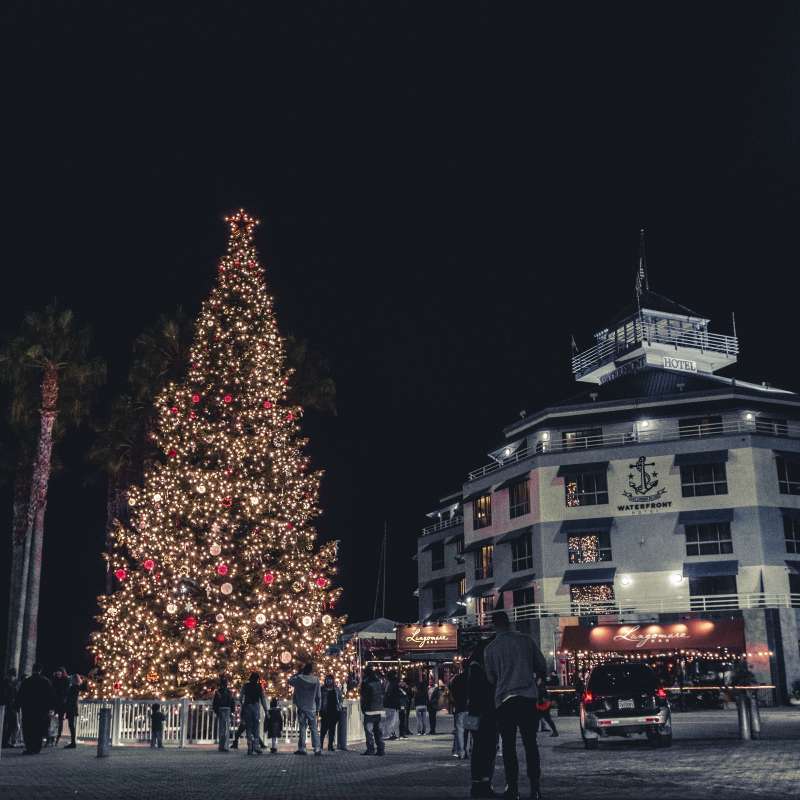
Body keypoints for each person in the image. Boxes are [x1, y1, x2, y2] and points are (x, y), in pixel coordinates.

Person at [484, 611, 547, 800]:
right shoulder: (526, 641)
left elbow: (491, 678)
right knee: (530, 744)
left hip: (504, 700)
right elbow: (541, 665)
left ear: (494, 625)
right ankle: (535, 787)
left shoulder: (491, 648)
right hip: (527, 698)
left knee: (509, 746)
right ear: (509, 623)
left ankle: (513, 787)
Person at [468, 639, 498, 798]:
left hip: (475, 713)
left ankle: (479, 783)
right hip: (484, 713)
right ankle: (483, 783)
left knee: (479, 748)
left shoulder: (473, 666)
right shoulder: (479, 668)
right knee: (486, 748)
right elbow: (483, 692)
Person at [15, 662, 55, 755]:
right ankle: (37, 748)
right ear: (40, 670)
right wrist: (51, 708)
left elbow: (21, 695)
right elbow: (51, 696)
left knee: (28, 728)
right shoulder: (46, 681)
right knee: (39, 729)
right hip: (41, 710)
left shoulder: (27, 681)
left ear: (33, 670)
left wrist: (17, 705)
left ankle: (29, 748)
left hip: (28, 709)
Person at [288, 663, 322, 756]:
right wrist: (318, 708)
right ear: (311, 671)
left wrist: (297, 673)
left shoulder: (299, 679)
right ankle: (317, 748)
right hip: (312, 707)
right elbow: (318, 696)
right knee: (314, 728)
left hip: (302, 706)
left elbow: (289, 681)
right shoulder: (316, 680)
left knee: (302, 728)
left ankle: (302, 748)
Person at [240, 672, 268, 755]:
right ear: (257, 679)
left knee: (249, 727)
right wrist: (266, 710)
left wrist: (243, 705)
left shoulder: (245, 686)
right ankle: (256, 746)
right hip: (255, 706)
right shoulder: (259, 687)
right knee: (256, 727)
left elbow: (240, 697)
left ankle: (249, 746)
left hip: (248, 706)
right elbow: (263, 699)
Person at [360, 665, 385, 756]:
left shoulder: (366, 682)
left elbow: (364, 697)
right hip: (379, 709)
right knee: (378, 730)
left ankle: (370, 749)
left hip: (370, 710)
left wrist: (363, 708)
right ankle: (381, 749)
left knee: (369, 731)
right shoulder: (378, 681)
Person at [62, 673, 87, 749]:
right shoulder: (76, 687)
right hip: (72, 707)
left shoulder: (74, 687)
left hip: (71, 707)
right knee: (71, 725)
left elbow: (70, 698)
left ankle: (73, 742)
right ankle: (73, 742)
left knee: (71, 725)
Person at [449, 666, 469, 759]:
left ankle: (461, 752)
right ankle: (469, 750)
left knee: (460, 731)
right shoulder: (472, 677)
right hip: (471, 708)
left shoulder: (457, 679)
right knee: (470, 731)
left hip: (460, 708)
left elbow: (452, 692)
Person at [212, 675, 235, 752]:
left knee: (223, 729)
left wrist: (217, 711)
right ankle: (224, 746)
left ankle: (222, 745)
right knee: (225, 729)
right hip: (224, 710)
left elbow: (215, 703)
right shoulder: (227, 692)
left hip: (223, 710)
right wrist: (232, 710)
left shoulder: (219, 692)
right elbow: (232, 702)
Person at [319, 674, 342, 751]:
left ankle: (330, 746)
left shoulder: (336, 689)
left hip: (334, 711)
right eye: (327, 679)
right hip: (325, 711)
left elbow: (340, 698)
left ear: (333, 680)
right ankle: (320, 745)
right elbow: (319, 699)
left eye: (330, 679)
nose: (329, 681)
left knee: (332, 730)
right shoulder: (322, 689)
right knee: (323, 729)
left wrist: (339, 707)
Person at [1, 668, 19, 748]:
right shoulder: (7, 684)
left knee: (10, 724)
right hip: (8, 707)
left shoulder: (10, 684)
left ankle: (5, 741)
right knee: (10, 724)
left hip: (10, 707)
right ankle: (4, 741)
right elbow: (7, 696)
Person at [51, 667, 69, 745]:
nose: (58, 673)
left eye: (60, 672)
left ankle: (57, 737)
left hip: (61, 703)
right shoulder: (55, 680)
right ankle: (51, 737)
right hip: (55, 703)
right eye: (57, 672)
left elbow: (65, 692)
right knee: (52, 720)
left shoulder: (65, 680)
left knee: (60, 720)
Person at [382, 670, 402, 741]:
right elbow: (395, 695)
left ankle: (389, 734)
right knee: (392, 720)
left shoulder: (388, 683)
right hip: (392, 705)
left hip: (388, 704)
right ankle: (388, 734)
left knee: (390, 720)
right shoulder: (394, 684)